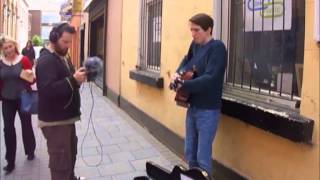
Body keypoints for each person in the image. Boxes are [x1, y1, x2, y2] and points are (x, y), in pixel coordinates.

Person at [171, 13, 227, 176]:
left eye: (197, 30)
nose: (193, 34)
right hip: (193, 106)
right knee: (190, 153)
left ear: (209, 29)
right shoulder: (194, 45)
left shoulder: (217, 48)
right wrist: (178, 74)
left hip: (208, 110)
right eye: (191, 30)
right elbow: (186, 63)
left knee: (203, 158)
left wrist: (184, 84)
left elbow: (211, 78)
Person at [36, 23, 86, 180]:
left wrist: (78, 76)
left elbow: (68, 78)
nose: (68, 46)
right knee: (61, 165)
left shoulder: (62, 56)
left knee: (69, 157)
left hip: (66, 119)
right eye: (65, 42)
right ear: (54, 37)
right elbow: (47, 90)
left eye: (70, 42)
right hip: (56, 123)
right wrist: (73, 80)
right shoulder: (46, 60)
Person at [0, 37, 36, 174]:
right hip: (7, 100)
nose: (8, 49)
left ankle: (30, 150)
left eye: (10, 46)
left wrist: (30, 75)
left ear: (14, 46)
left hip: (23, 98)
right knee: (8, 129)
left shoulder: (24, 60)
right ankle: (10, 161)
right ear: (3, 50)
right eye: (5, 48)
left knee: (26, 125)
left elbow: (32, 80)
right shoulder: (1, 63)